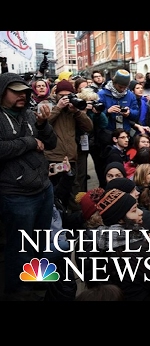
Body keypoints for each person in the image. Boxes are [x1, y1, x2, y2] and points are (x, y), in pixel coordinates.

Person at [0, 73, 57, 298]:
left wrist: (42, 125)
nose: (22, 96)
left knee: (41, 241)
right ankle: (18, 289)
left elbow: (51, 143)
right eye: (16, 91)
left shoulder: (31, 115)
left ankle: (38, 279)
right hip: (16, 194)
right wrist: (30, 142)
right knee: (19, 244)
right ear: (3, 91)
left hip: (43, 188)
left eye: (24, 91)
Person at [81, 188, 150, 301]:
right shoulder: (135, 251)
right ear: (120, 220)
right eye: (134, 210)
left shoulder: (102, 239)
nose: (140, 212)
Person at [43, 79, 93, 210]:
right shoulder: (48, 105)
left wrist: (76, 111)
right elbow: (41, 125)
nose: (65, 98)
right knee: (55, 194)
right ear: (56, 95)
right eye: (61, 95)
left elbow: (89, 127)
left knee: (74, 194)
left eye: (68, 95)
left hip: (70, 159)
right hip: (53, 158)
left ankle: (75, 225)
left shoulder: (73, 110)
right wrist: (58, 108)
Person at [97, 69, 139, 138]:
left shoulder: (130, 95)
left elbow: (136, 113)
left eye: (125, 87)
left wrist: (129, 113)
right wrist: (107, 111)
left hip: (125, 133)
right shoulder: (102, 94)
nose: (122, 89)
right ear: (114, 83)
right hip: (108, 133)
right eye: (120, 87)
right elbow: (96, 114)